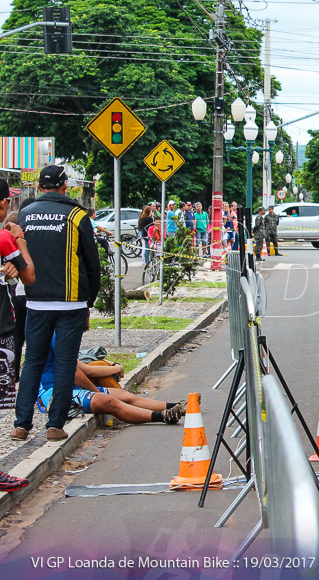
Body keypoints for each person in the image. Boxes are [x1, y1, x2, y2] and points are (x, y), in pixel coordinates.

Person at [13, 165, 101, 443]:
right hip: (71, 303)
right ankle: (55, 424)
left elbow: (17, 257)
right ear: (65, 186)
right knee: (64, 364)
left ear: (39, 187)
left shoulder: (25, 215)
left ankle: (21, 424)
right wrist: (90, 302)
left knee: (33, 363)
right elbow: (92, 264)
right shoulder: (77, 215)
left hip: (36, 301)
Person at [35, 342, 188, 426]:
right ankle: (161, 416)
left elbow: (86, 369)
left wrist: (113, 365)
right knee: (106, 401)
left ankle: (176, 407)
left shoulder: (62, 332)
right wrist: (96, 391)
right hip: (53, 392)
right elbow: (73, 373)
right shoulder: (56, 335)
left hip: (71, 387)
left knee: (123, 395)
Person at [0, 184, 35, 409]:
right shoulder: (4, 238)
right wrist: (20, 239)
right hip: (2, 327)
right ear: (3, 202)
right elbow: (29, 276)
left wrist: (9, 271)